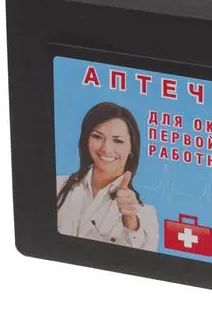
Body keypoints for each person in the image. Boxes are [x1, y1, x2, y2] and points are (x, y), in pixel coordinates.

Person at [57, 102, 158, 251]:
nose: (106, 148)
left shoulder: (144, 214)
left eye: (118, 140)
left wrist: (130, 220)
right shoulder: (57, 185)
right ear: (86, 140)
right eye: (97, 137)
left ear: (132, 148)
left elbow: (144, 261)